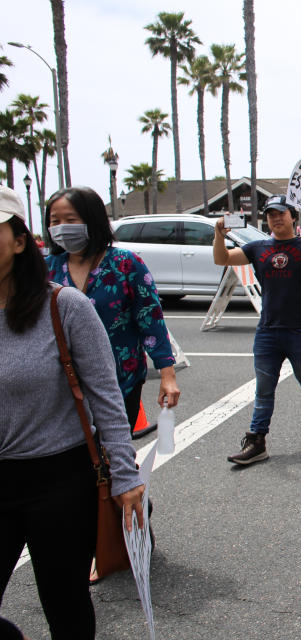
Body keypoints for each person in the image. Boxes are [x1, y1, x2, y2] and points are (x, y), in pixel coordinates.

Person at [0, 186, 144, 639]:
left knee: (64, 604)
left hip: (59, 481)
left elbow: (106, 397)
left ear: (20, 240)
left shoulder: (63, 306)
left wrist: (125, 475)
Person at [214, 195, 301, 464]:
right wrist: (219, 234)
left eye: (281, 213)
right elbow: (223, 258)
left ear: (293, 216)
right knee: (263, 389)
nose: (275, 218)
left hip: (299, 331)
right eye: (270, 214)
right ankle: (257, 441)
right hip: (267, 332)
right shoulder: (257, 248)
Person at [44, 187, 181, 434]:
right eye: (55, 221)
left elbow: (151, 320)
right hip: (62, 385)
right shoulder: (46, 270)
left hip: (120, 381)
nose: (62, 227)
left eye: (71, 220)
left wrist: (167, 374)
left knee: (114, 452)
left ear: (92, 220)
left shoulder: (125, 264)